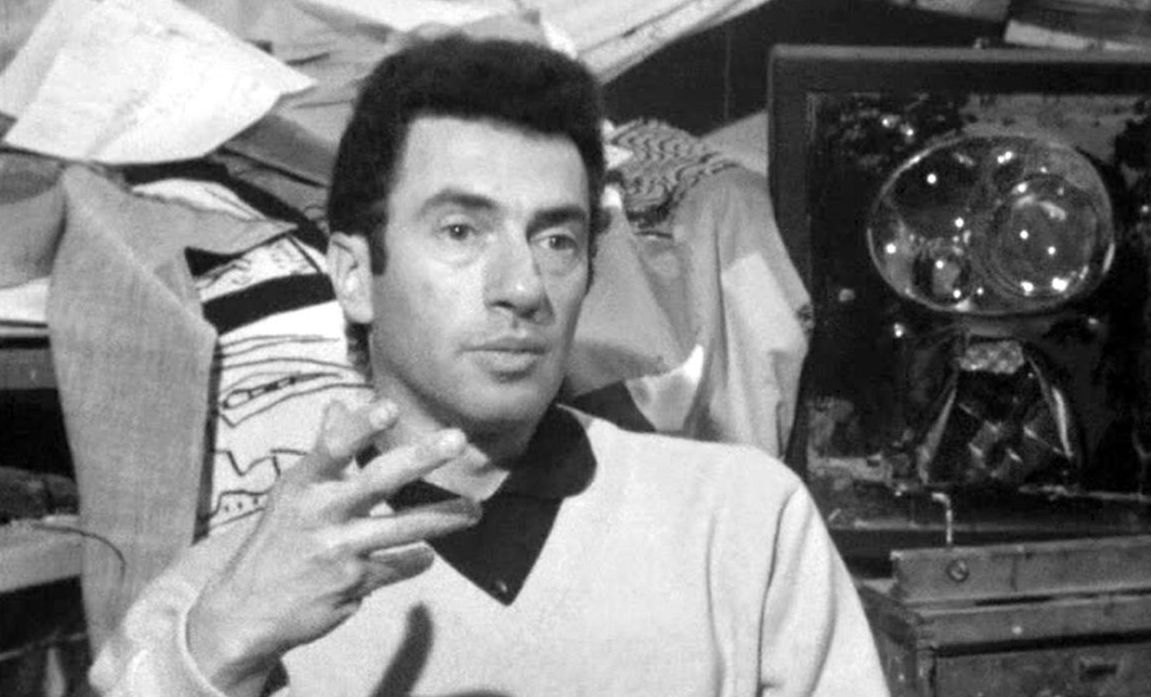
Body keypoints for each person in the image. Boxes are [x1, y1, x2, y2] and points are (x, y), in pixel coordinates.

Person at [90, 35, 891, 697]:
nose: (522, 287)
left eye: (556, 239)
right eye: (460, 231)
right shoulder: (226, 592)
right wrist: (221, 649)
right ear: (352, 274)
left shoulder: (743, 522)